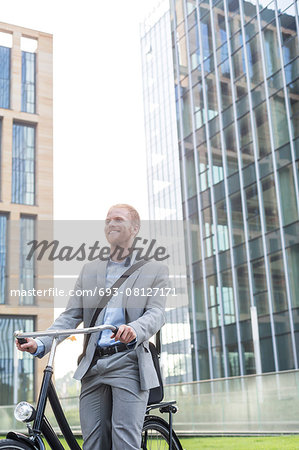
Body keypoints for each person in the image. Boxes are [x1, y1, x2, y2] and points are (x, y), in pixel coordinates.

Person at [16, 204, 168, 450]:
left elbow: (156, 312)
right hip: (93, 364)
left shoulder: (154, 269)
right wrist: (41, 342)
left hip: (129, 362)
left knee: (124, 443)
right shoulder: (90, 270)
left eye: (118, 219)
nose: (110, 224)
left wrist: (135, 329)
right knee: (93, 443)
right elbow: (70, 315)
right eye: (107, 220)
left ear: (135, 228)